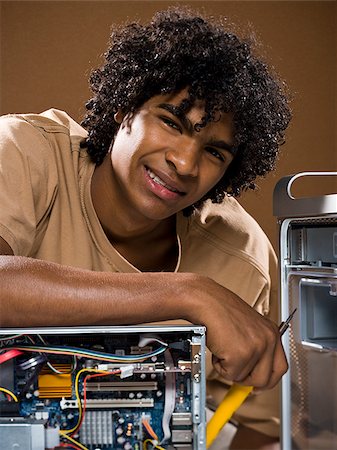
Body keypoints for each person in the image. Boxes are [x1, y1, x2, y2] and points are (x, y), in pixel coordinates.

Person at [0, 7, 291, 449]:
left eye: (214, 152)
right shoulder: (24, 152)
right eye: (171, 122)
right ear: (124, 106)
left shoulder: (241, 254)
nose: (185, 163)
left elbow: (263, 430)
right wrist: (188, 293)